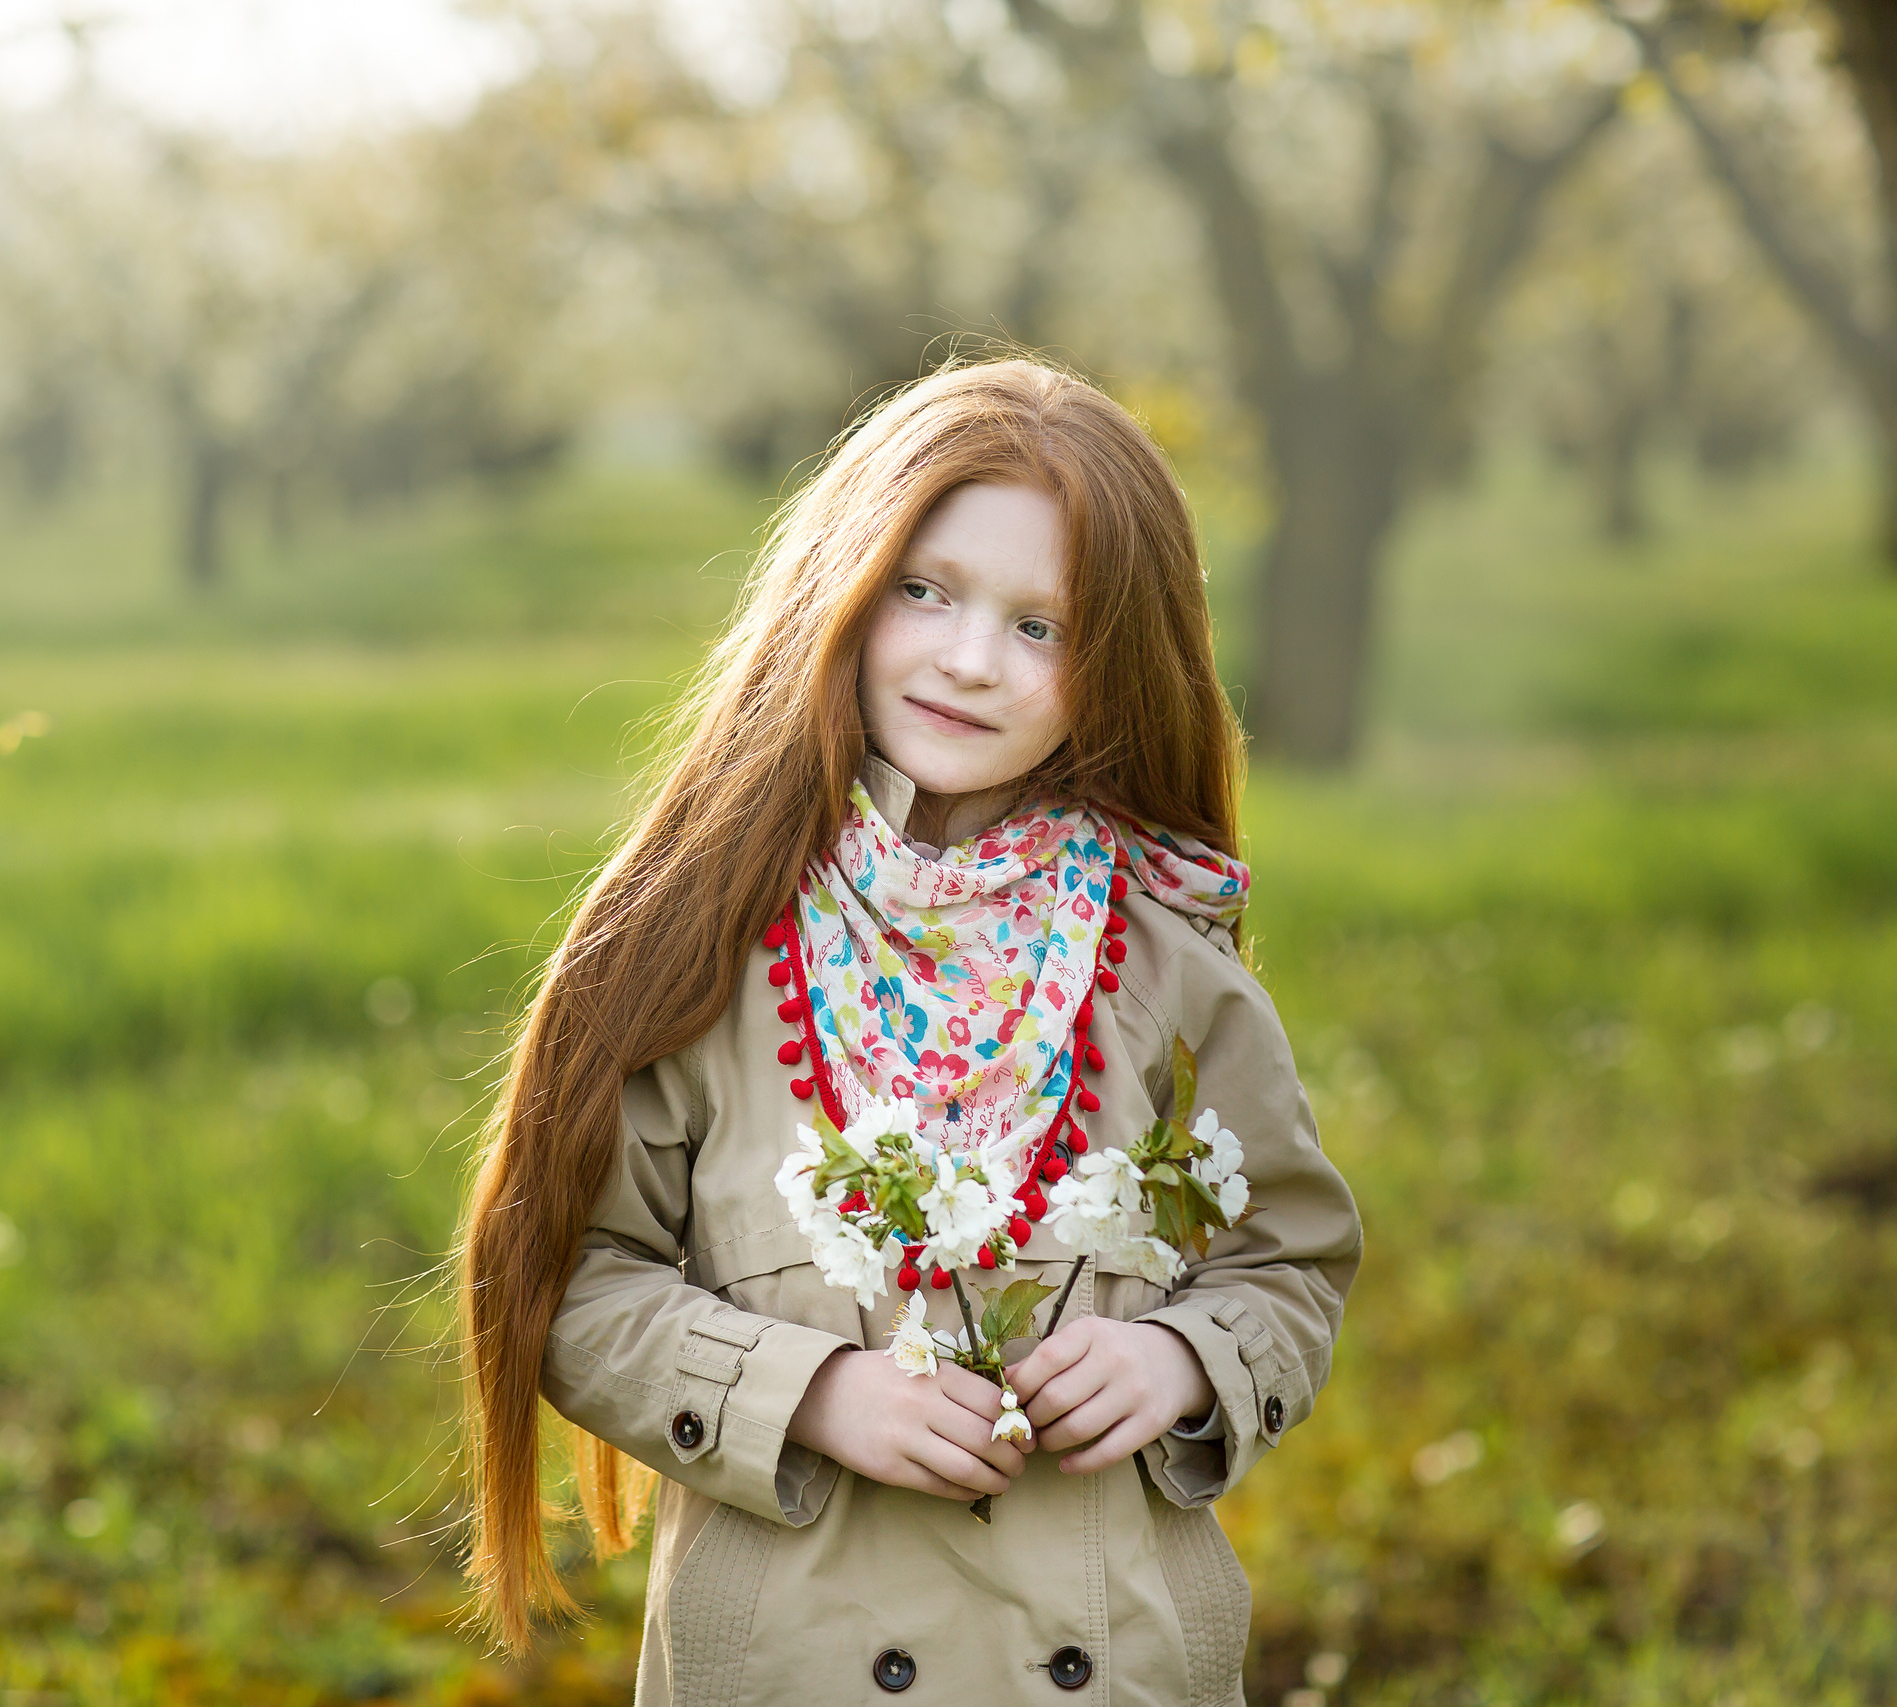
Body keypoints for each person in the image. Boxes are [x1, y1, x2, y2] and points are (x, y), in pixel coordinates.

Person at [455, 360, 1364, 1706]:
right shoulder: (707, 941)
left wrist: (1179, 1358)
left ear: (1115, 665)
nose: (970, 659)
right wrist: (809, 1392)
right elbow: (576, 1281)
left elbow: (1290, 1259)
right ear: (845, 584)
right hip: (796, 1662)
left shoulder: (1167, 957)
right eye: (925, 591)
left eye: (1042, 626)